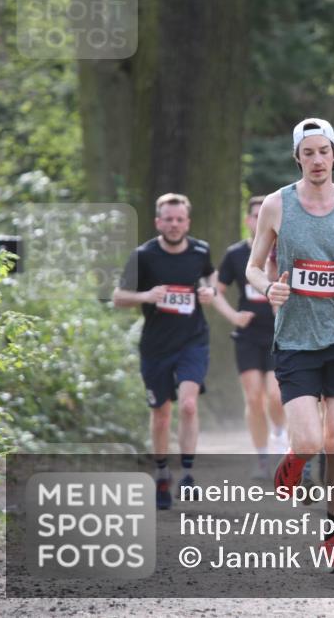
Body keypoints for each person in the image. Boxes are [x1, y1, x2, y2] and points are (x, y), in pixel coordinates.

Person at [245, 117, 334, 573]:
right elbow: (253, 267)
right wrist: (268, 289)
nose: (317, 160)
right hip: (297, 339)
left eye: (324, 152)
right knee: (308, 439)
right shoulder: (278, 205)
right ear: (298, 158)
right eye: (308, 153)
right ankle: (293, 461)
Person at [113, 193, 216, 510]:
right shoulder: (144, 255)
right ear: (158, 222)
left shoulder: (200, 251)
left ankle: (186, 474)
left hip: (192, 341)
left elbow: (209, 274)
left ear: (188, 222)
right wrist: (147, 296)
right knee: (161, 416)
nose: (174, 225)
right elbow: (118, 296)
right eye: (168, 219)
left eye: (179, 219)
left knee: (187, 404)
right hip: (157, 346)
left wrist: (210, 290)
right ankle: (161, 473)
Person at [213, 196, 288, 480]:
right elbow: (216, 290)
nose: (259, 221)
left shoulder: (283, 251)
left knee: (275, 395)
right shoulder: (235, 254)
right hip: (247, 335)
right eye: (254, 216)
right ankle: (261, 457)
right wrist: (233, 316)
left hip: (278, 333)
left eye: (263, 216)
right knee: (254, 398)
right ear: (248, 221)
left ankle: (280, 433)